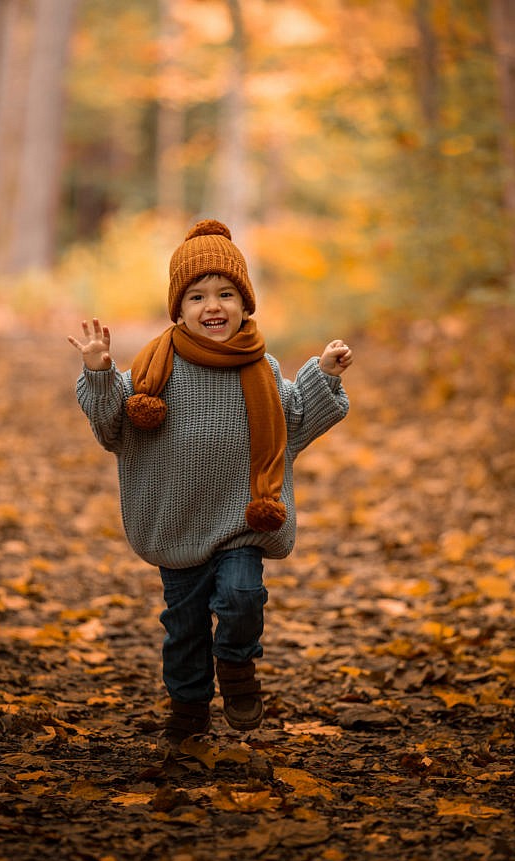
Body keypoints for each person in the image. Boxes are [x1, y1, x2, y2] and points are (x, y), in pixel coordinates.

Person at [68, 219, 352, 750]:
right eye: (196, 296)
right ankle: (189, 707)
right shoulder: (155, 369)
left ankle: (238, 665)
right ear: (178, 309)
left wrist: (326, 374)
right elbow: (114, 427)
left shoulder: (261, 367)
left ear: (246, 304)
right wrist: (101, 373)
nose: (212, 306)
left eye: (225, 294)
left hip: (241, 519)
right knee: (185, 629)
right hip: (176, 521)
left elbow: (293, 418)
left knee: (243, 596)